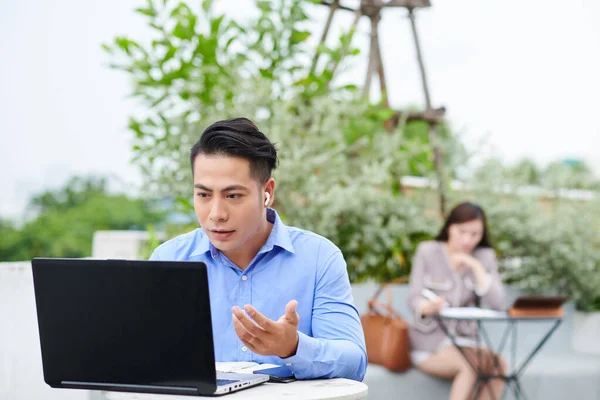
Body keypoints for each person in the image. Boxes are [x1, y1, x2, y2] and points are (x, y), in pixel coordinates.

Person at [150, 117, 367, 381]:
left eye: (233, 196)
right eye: (204, 195)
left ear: (267, 192)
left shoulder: (319, 258)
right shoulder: (169, 260)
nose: (216, 214)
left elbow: (354, 362)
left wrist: (293, 347)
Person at [407, 202, 507, 400]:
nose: (468, 240)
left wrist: (475, 266)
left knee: (499, 365)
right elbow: (413, 298)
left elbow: (498, 303)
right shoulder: (428, 252)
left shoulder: (484, 256)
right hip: (429, 345)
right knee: (470, 366)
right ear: (450, 226)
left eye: (475, 234)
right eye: (462, 232)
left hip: (467, 342)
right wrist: (428, 307)